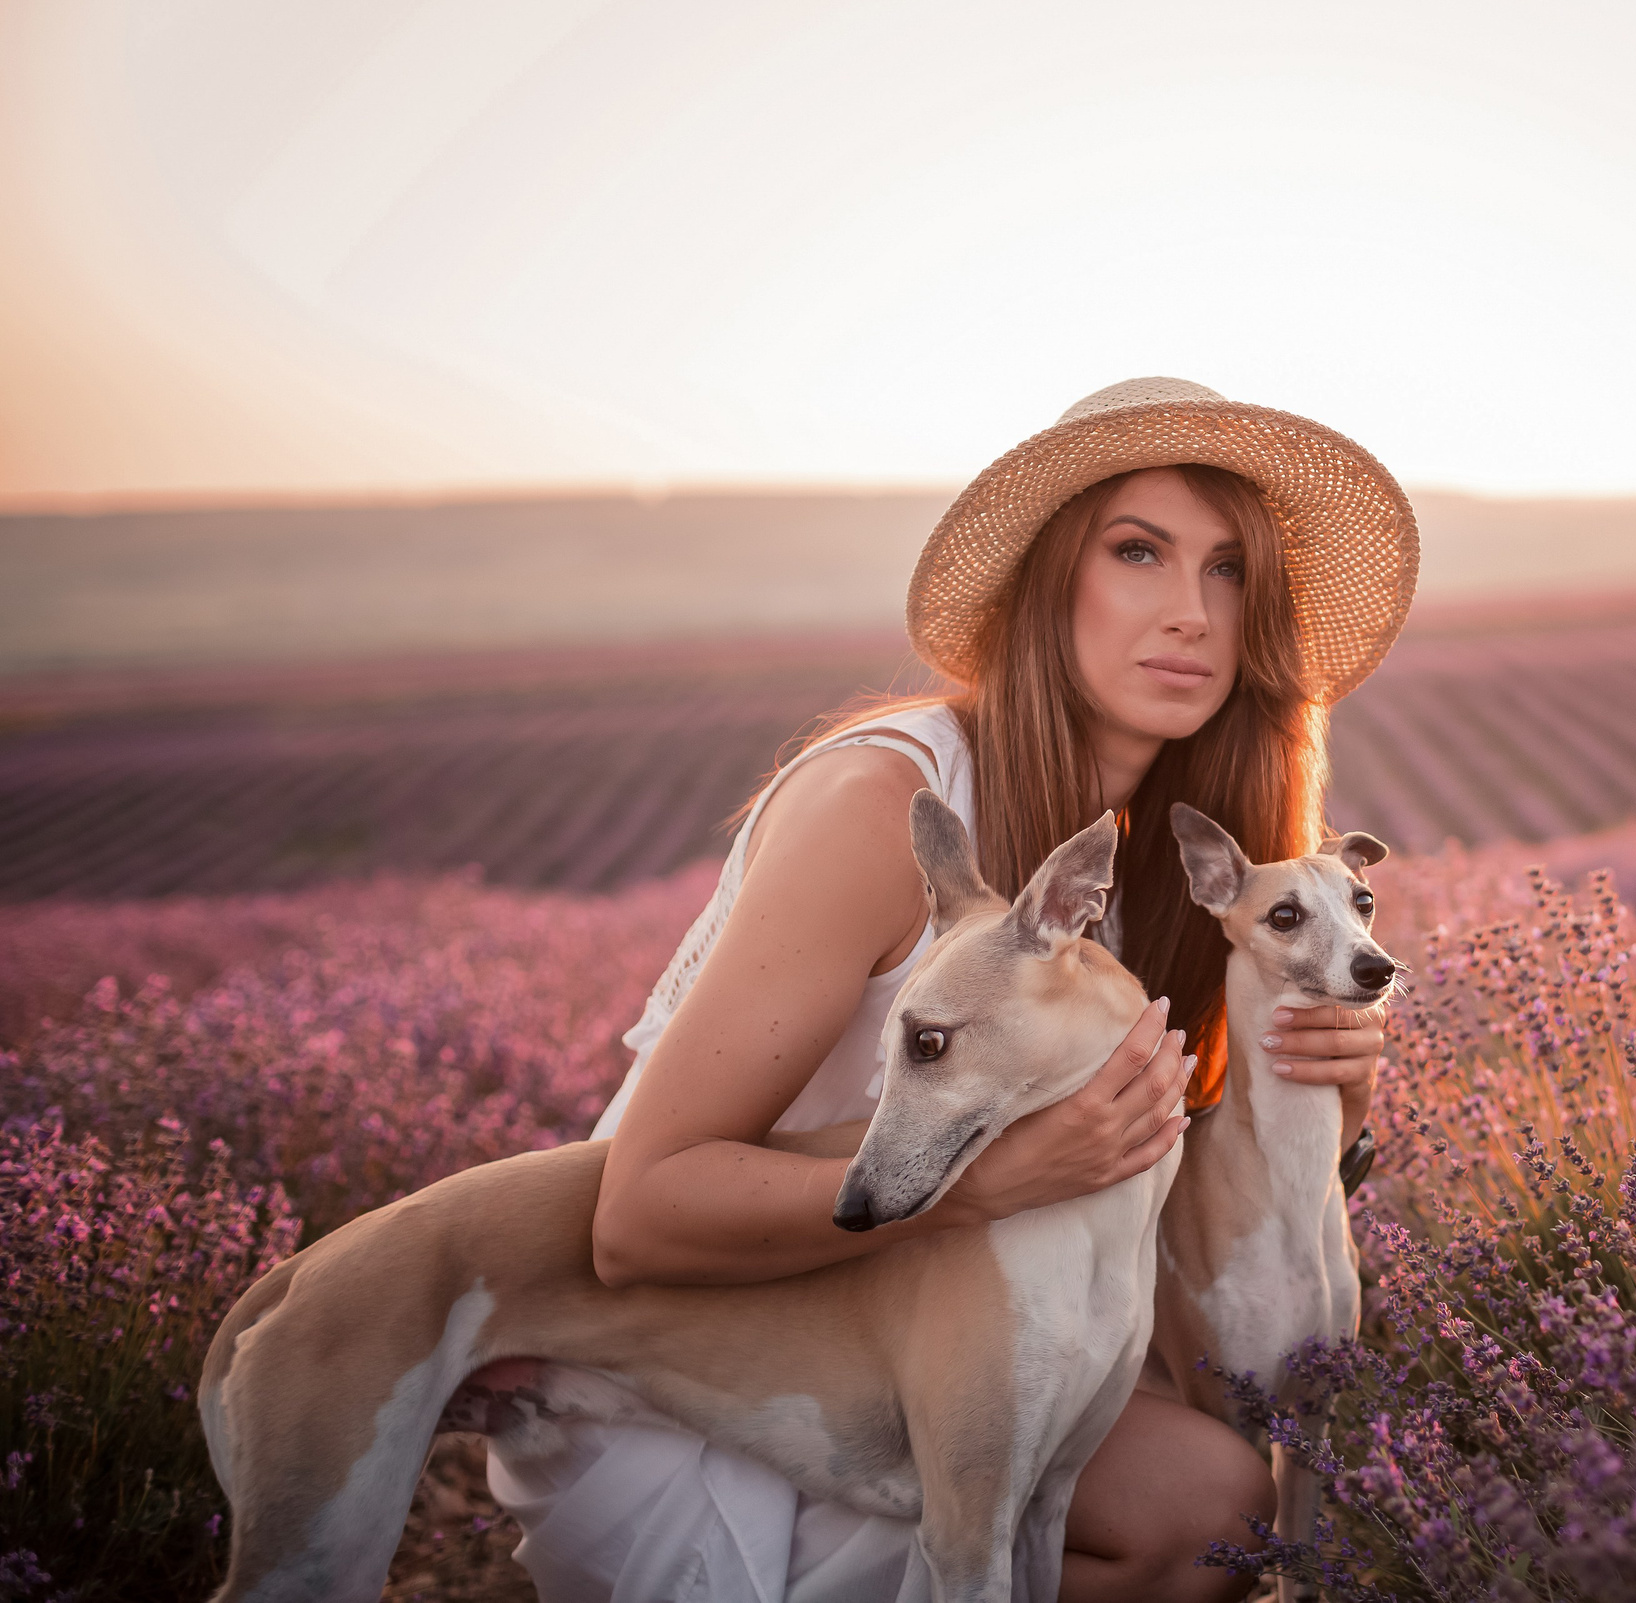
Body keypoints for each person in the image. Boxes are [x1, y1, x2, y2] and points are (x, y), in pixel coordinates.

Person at [485, 377, 1421, 1603]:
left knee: (1234, 1492)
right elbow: (640, 1216)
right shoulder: (884, 808)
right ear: (1046, 583)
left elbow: (1156, 1182)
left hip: (980, 1320)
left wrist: (1330, 1110)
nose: (1191, 612)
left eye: (1231, 570)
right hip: (742, 1370)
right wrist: (997, 1183)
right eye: (1137, 552)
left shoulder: (1164, 863)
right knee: (1209, 1508)